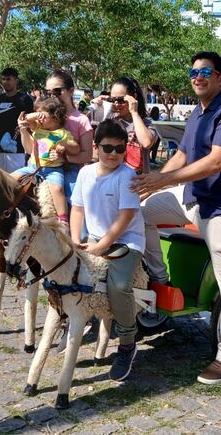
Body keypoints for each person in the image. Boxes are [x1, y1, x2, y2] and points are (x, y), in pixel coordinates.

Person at [132, 51, 221, 385]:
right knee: (139, 215)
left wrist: (163, 180)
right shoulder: (197, 114)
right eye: (193, 72)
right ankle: (159, 276)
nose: (197, 77)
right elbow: (183, 155)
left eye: (205, 71)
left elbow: (215, 163)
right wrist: (151, 183)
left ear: (220, 77)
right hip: (191, 200)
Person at [69, 120, 146, 381]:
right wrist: (73, 240)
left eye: (119, 148)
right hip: (93, 238)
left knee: (118, 285)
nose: (113, 154)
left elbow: (126, 217)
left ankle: (127, 342)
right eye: (107, 148)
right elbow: (77, 209)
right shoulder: (85, 173)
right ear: (95, 147)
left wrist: (102, 246)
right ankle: (70, 324)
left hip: (127, 241)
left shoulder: (126, 176)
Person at [13, 97, 76, 224]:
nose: (38, 118)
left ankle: (62, 218)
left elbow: (76, 148)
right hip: (33, 167)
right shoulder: (38, 128)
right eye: (38, 115)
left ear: (56, 117)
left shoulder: (63, 133)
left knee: (57, 189)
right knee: (11, 178)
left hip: (53, 170)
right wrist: (38, 114)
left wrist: (65, 145)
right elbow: (26, 119)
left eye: (43, 115)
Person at [90, 77, 157, 174]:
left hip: (136, 183)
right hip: (110, 179)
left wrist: (134, 112)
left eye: (121, 100)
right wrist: (96, 107)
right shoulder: (109, 119)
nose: (117, 104)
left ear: (133, 97)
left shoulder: (145, 122)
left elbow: (146, 142)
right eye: (113, 100)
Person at [44, 71, 94, 198]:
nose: (52, 96)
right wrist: (23, 128)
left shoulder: (81, 120)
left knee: (73, 204)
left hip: (70, 172)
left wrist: (64, 159)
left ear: (71, 91)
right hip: (41, 168)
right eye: (48, 93)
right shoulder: (42, 117)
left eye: (57, 91)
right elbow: (30, 147)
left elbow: (87, 155)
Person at [0, 67, 34, 172]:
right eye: (3, 79)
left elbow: (30, 122)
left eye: (8, 79)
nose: (5, 82)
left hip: (18, 149)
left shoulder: (25, 99)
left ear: (16, 80)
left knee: (15, 182)